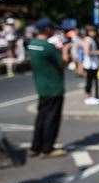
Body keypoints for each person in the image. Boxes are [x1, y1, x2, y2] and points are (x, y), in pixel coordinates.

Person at [27, 18, 69, 158]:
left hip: (41, 86)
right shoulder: (48, 47)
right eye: (51, 28)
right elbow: (62, 64)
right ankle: (48, 148)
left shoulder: (32, 45)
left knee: (41, 117)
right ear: (47, 30)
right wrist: (64, 50)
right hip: (54, 87)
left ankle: (35, 147)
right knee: (52, 118)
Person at [82, 25, 99, 105]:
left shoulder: (91, 40)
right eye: (91, 31)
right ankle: (88, 97)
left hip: (93, 64)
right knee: (89, 81)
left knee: (92, 81)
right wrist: (98, 52)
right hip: (90, 64)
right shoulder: (88, 40)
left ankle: (91, 96)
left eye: (94, 31)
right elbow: (87, 52)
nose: (93, 33)